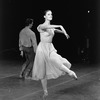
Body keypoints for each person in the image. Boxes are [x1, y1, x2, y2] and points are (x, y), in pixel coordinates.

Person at [32, 10, 77, 99]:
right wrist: (60, 26)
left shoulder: (51, 28)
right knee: (42, 72)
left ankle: (70, 72)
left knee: (56, 59)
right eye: (48, 14)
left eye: (51, 14)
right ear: (44, 16)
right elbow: (48, 27)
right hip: (42, 49)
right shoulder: (41, 26)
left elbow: (55, 30)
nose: (50, 15)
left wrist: (64, 33)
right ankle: (45, 92)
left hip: (50, 47)